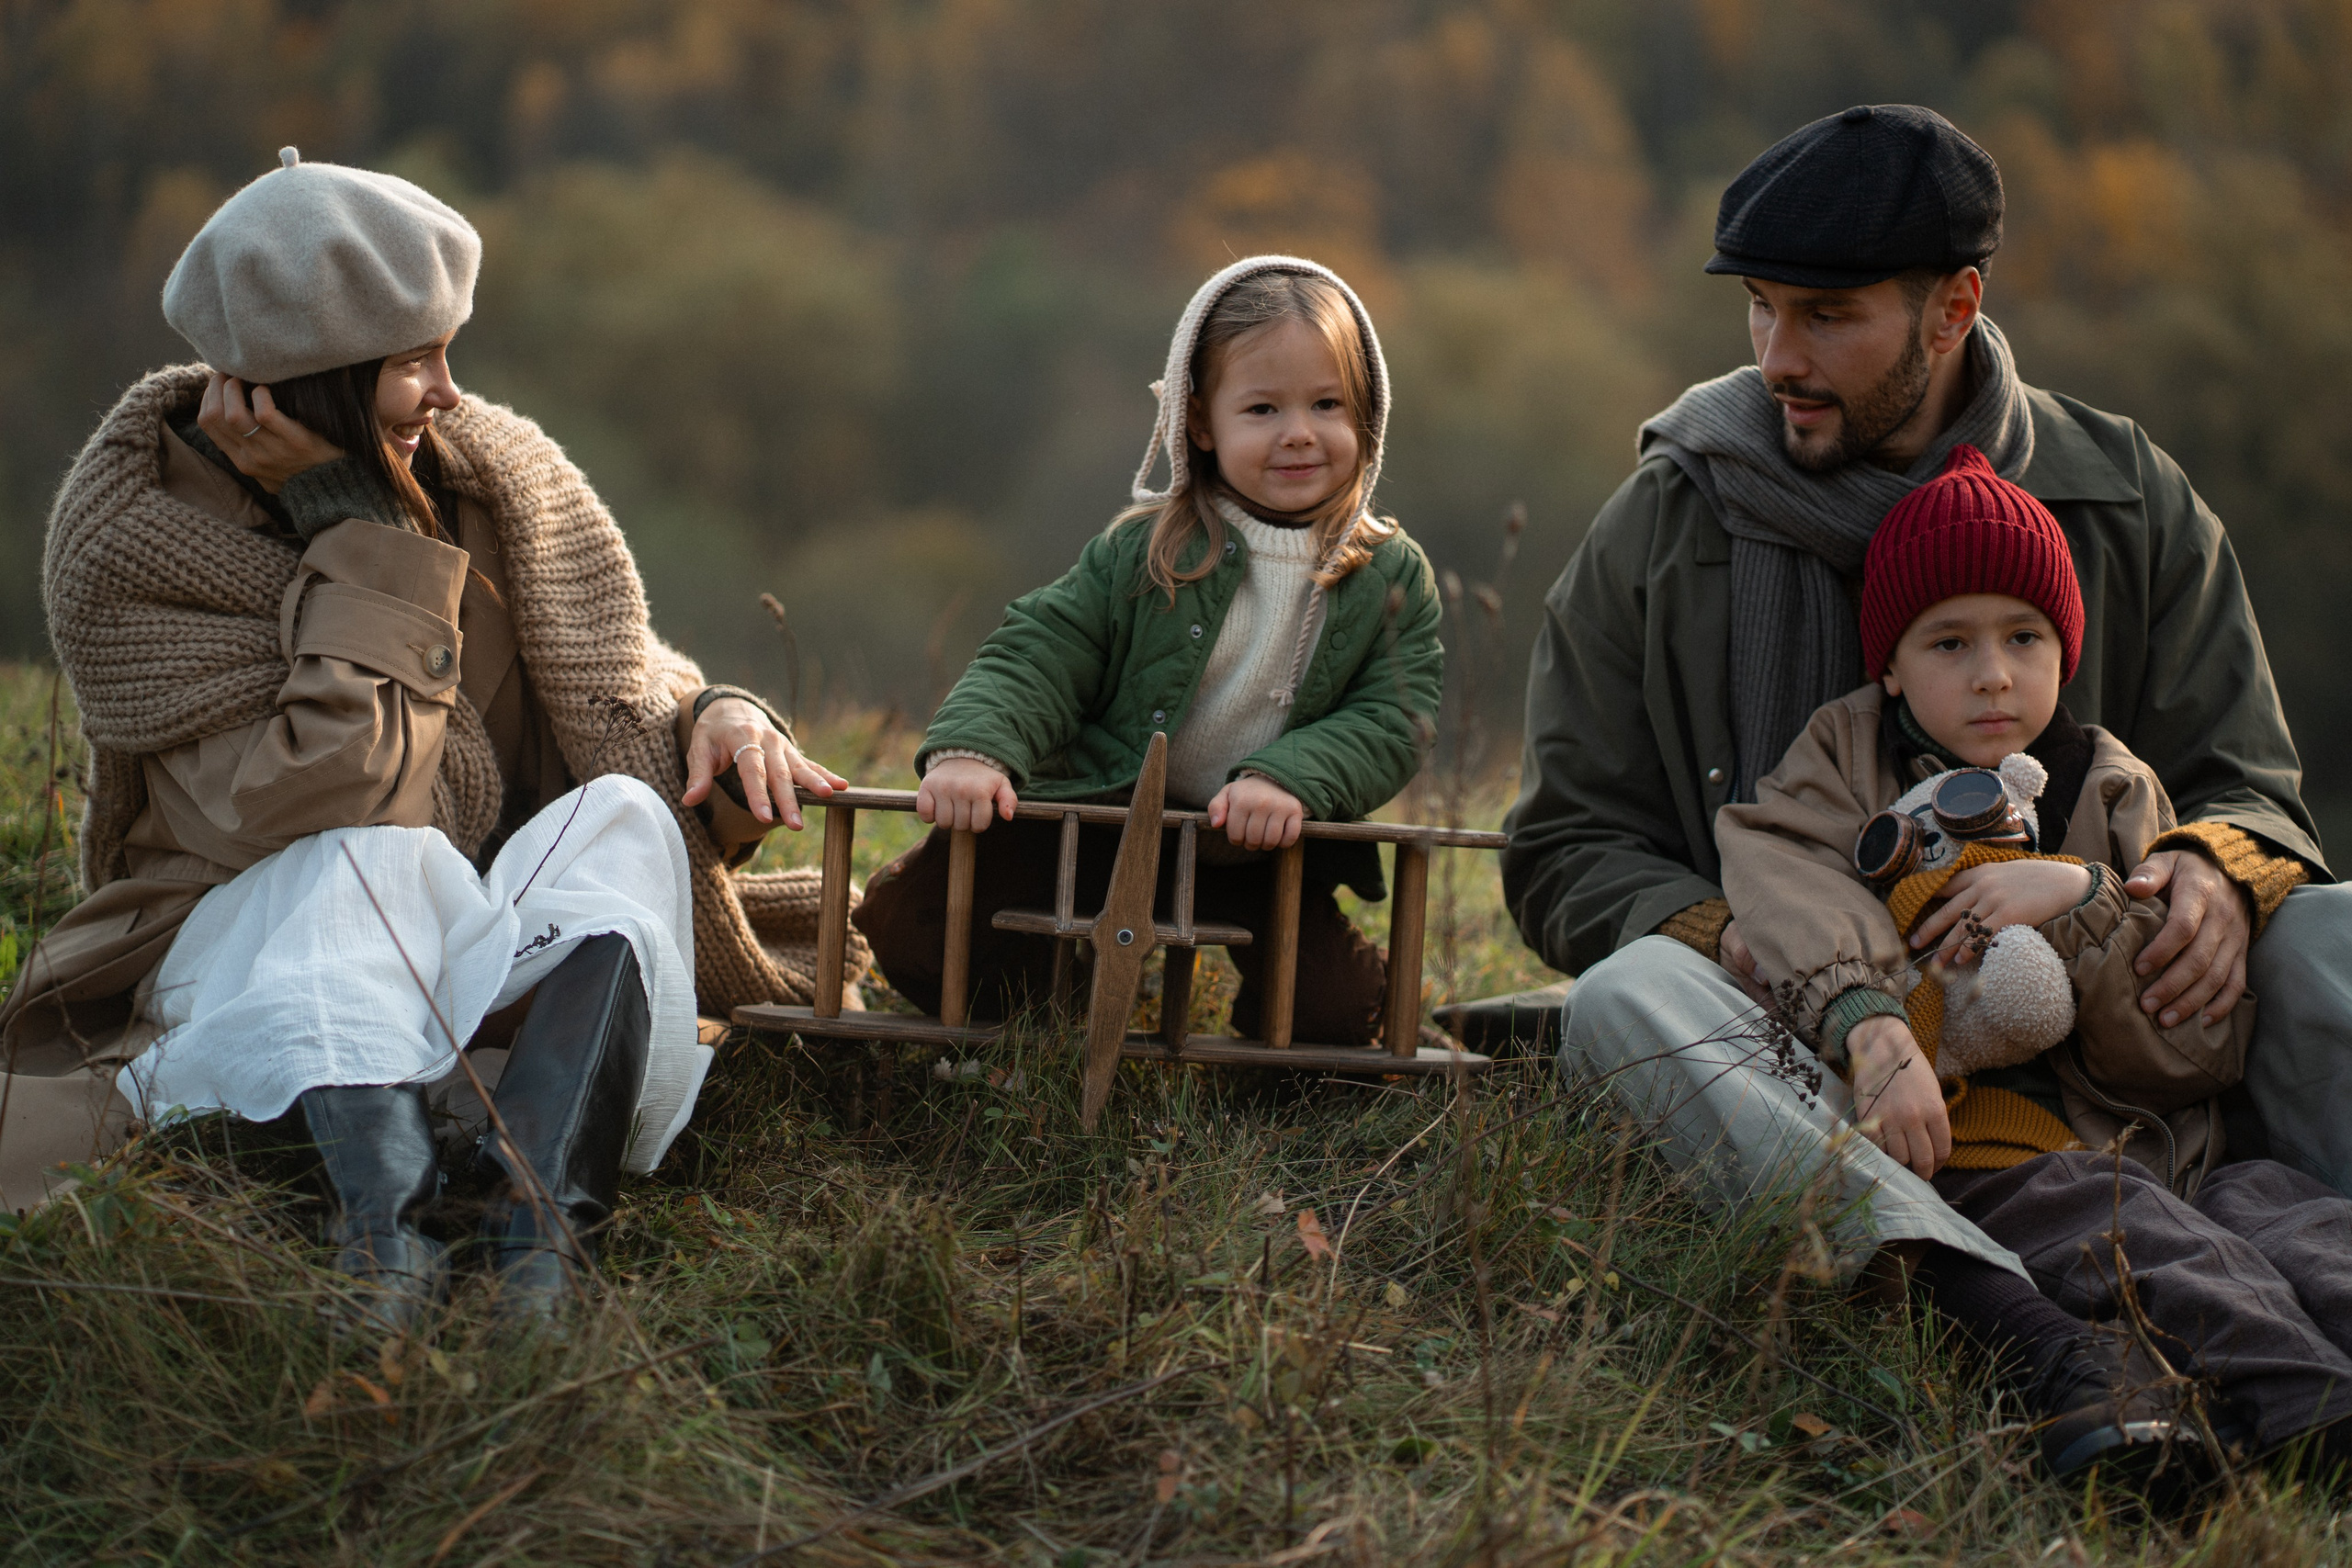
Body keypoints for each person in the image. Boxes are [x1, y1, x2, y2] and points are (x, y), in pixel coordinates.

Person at [0, 149, 858, 1328]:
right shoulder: (133, 546)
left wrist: (717, 714)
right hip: (260, 939)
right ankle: (382, 1263)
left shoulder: (485, 473)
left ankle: (537, 1247)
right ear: (310, 383)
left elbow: (609, 675)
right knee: (373, 861)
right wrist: (362, 541)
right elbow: (334, 799)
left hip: (450, 921)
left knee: (622, 817)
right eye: (415, 364)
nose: (452, 393)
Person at [1502, 106, 2336, 1296]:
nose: (1776, 354)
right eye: (1760, 306)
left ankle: (2220, 1216)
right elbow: (1564, 842)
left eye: (1826, 315)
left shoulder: (2124, 499)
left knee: (2338, 930)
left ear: (1953, 309)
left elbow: (2247, 779)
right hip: (1787, 1039)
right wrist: (1736, 939)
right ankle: (1930, 1268)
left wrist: (2209, 868)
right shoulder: (1667, 517)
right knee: (1628, 992)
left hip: (2097, 1044)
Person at [1715, 446, 2352, 1481]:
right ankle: (2308, 1418)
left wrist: (2085, 899)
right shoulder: (1840, 762)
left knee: (2296, 1217)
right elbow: (1787, 875)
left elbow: (2194, 1049)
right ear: (1888, 664)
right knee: (2151, 1245)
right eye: (1948, 643)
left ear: (2064, 647)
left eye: (2023, 637)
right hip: (1991, 1157)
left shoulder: (2108, 785)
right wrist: (1864, 1015)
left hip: (2163, 1137)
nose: (1992, 674)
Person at [854, 257, 1442, 1043]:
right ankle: (1051, 990)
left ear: (1366, 414)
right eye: (1263, 407)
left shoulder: (1386, 570)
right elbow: (1042, 651)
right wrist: (978, 747)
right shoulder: (1149, 550)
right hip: (1100, 819)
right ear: (1200, 424)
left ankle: (1299, 1022)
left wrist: (1290, 776)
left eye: (1328, 404)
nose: (1299, 431)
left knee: (1329, 1012)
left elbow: (1393, 714)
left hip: (1255, 848)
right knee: (918, 932)